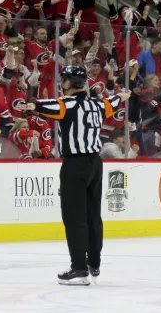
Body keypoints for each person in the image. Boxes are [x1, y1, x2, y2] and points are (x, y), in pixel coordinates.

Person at [16, 66, 129, 286]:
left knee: (74, 218)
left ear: (70, 83)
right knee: (93, 216)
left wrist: (32, 106)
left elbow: (46, 106)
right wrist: (123, 95)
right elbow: (114, 102)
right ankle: (93, 264)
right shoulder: (98, 105)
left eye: (64, 80)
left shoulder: (66, 104)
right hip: (95, 164)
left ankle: (79, 268)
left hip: (75, 164)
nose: (62, 83)